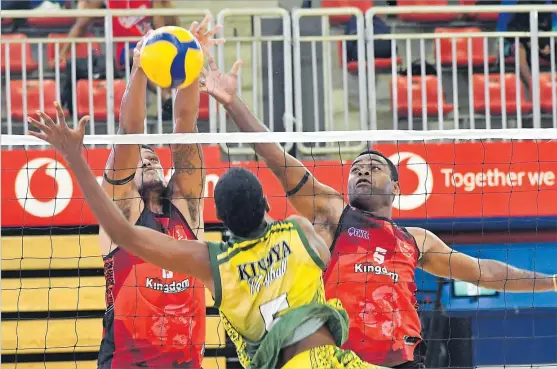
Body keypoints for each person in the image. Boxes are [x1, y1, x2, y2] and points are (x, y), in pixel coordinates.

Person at [197, 45, 557, 368]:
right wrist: (232, 102)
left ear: (397, 187)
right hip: (337, 361)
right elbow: (276, 157)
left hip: (402, 362)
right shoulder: (331, 213)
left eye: (374, 167)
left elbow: (484, 273)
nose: (362, 169)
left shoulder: (416, 240)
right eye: (356, 168)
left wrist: (552, 282)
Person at [27, 108, 385, 369]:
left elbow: (123, 232)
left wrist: (75, 158)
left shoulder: (217, 268)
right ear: (265, 205)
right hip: (334, 360)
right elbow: (310, 197)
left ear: (222, 222)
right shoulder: (299, 234)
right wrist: (222, 97)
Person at [54, 16, 218, 369]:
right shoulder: (122, 215)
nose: (147, 161)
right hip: (127, 362)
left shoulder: (187, 210)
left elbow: (184, 128)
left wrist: (190, 61)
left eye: (153, 158)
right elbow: (130, 131)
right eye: (141, 160)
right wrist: (140, 68)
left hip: (185, 362)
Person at [59, 0, 179, 118]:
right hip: (125, 50)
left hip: (148, 46)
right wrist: (63, 53)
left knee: (158, 59)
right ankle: (167, 98)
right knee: (139, 57)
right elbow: (80, 25)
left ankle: (170, 100)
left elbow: (160, 29)